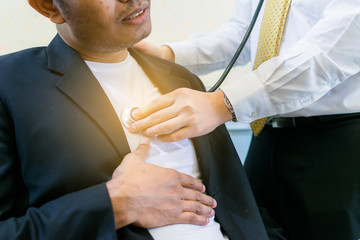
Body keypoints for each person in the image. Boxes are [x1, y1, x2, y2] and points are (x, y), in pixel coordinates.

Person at [0, 0, 270, 239]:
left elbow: (238, 203)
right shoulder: (10, 85)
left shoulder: (183, 80)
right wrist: (117, 204)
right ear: (48, 6)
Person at [129, 0, 360, 239]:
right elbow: (243, 32)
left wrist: (222, 104)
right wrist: (169, 54)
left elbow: (329, 53)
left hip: (335, 142)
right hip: (267, 135)